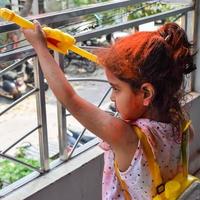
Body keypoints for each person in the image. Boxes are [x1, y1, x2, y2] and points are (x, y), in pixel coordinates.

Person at [22, 21, 196, 200]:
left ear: (146, 93)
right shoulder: (178, 120)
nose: (112, 97)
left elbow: (70, 99)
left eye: (116, 89)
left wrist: (40, 47)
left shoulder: (126, 137)